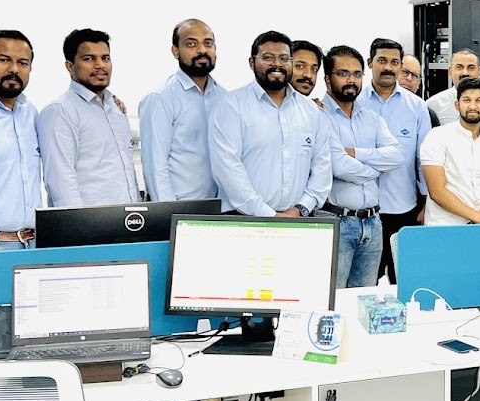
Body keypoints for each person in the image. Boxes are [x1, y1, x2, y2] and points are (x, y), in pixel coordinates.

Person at [208, 30, 331, 217]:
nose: (277, 64)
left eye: (284, 58)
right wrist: (268, 215)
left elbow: (322, 166)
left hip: (297, 220)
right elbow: (227, 169)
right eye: (268, 58)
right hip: (243, 219)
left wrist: (300, 209)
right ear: (252, 63)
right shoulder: (231, 106)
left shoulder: (311, 111)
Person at [319, 45, 403, 288]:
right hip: (337, 221)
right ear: (327, 79)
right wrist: (375, 170)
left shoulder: (371, 118)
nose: (351, 80)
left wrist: (356, 153)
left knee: (365, 299)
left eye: (357, 74)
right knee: (332, 297)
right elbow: (339, 166)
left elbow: (398, 155)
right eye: (343, 73)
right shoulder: (319, 116)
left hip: (373, 223)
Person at [0, 29, 41, 326]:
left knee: (33, 341)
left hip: (31, 250)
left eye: (22, 62)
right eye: (4, 60)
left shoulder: (30, 113)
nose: (14, 69)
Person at [37, 28, 138, 207]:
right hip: (88, 221)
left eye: (105, 58)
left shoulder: (116, 111)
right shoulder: (60, 111)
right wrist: (78, 222)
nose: (100, 65)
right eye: (89, 59)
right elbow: (61, 181)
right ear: (70, 66)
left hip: (127, 218)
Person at [362, 38, 432, 284]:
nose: (388, 67)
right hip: (363, 210)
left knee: (403, 281)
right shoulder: (354, 101)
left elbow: (423, 159)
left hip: (403, 209)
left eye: (394, 62)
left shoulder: (417, 107)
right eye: (382, 60)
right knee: (364, 283)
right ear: (370, 63)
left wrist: (426, 203)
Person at [139, 18, 224, 201]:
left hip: (220, 207)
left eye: (208, 43)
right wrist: (170, 212)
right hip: (180, 207)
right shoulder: (160, 98)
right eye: (191, 44)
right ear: (175, 51)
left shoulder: (224, 98)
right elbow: (155, 167)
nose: (202, 50)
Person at [421, 77, 480, 225]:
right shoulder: (437, 137)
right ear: (457, 105)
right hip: (443, 226)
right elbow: (437, 191)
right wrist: (478, 218)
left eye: (479, 101)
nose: (472, 106)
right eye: (467, 100)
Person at [425, 47, 480, 130]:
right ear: (450, 71)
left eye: (471, 68)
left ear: (479, 71)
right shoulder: (433, 105)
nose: (465, 73)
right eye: (459, 67)